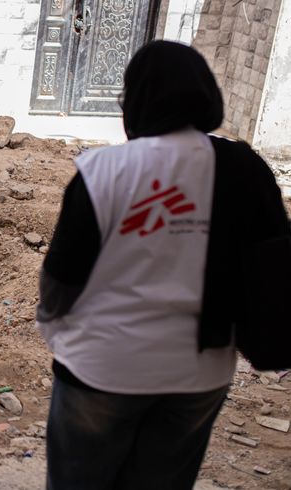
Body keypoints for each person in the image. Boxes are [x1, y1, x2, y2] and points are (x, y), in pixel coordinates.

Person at [36, 41, 290, 489]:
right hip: (199, 374)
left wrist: (58, 335)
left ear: (134, 102)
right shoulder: (246, 169)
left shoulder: (105, 170)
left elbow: (61, 277)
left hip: (103, 366)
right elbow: (275, 269)